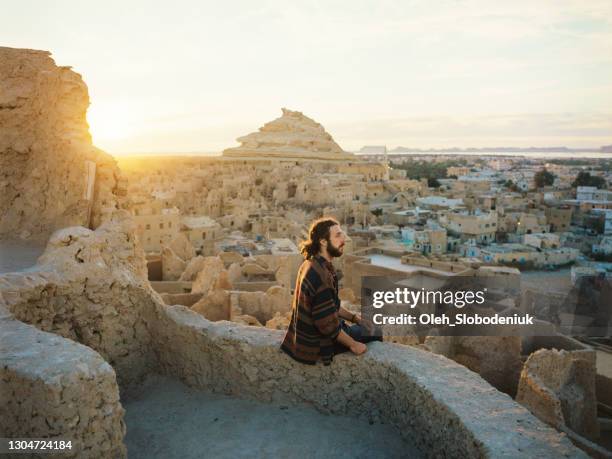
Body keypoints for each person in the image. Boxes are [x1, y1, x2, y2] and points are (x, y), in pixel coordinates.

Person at [280, 217, 381, 366]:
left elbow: (331, 306)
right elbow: (328, 326)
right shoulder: (321, 275)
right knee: (376, 331)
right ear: (323, 241)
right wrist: (353, 344)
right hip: (318, 344)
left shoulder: (311, 263)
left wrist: (355, 318)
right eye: (338, 235)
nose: (343, 239)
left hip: (306, 337)